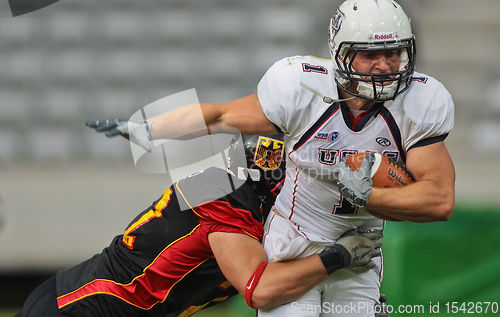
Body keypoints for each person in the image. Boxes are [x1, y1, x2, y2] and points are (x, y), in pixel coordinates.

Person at [89, 0, 455, 316]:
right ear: (341, 52)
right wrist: (149, 128)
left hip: (360, 249)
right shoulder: (303, 88)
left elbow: (439, 200)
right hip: (295, 240)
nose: (385, 66)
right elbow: (221, 115)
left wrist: (368, 196)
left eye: (393, 53)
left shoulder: (420, 102)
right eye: (371, 54)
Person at [16, 135, 382, 317]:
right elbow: (261, 289)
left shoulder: (231, 187)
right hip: (77, 309)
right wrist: (338, 258)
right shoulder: (228, 201)